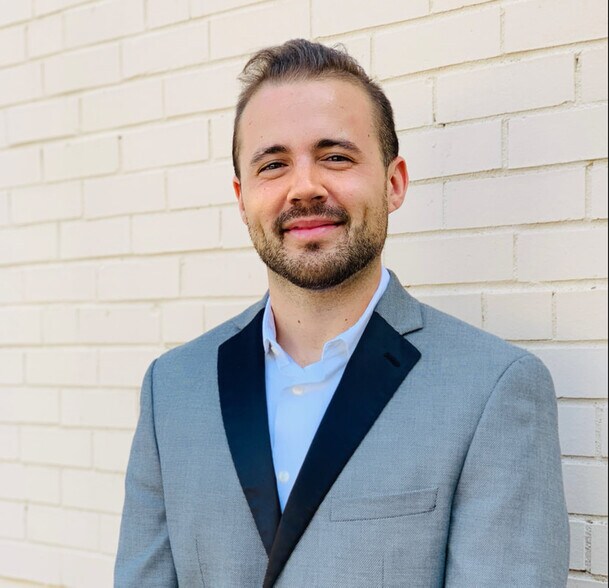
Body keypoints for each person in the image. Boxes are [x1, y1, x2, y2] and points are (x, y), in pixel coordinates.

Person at [114, 39, 569, 587]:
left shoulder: (493, 389)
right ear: (241, 198)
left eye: (335, 157)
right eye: (273, 164)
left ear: (393, 183)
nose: (304, 187)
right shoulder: (171, 390)